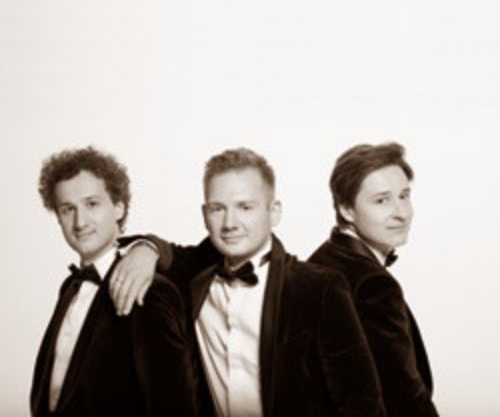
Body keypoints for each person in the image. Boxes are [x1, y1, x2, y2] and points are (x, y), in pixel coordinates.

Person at [110, 148, 386, 417]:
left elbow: (361, 403)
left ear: (274, 212)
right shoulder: (193, 273)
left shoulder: (319, 288)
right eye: (218, 209)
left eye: (245, 207)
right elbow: (167, 252)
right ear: (205, 215)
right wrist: (146, 249)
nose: (230, 223)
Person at [30, 146, 197, 417]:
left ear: (119, 208)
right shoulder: (70, 287)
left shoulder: (148, 290)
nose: (79, 221)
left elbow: (173, 405)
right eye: (67, 209)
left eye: (92, 204)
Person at [308, 142, 439, 417]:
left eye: (404, 196)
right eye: (382, 200)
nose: (401, 213)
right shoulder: (373, 285)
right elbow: (404, 397)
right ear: (346, 209)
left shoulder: (318, 263)